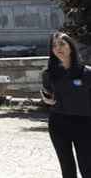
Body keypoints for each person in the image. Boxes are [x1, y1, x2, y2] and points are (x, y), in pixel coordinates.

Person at [42, 32, 91, 178]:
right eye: (54, 46)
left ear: (71, 47)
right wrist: (45, 100)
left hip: (84, 125)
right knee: (67, 169)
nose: (58, 48)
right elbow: (46, 94)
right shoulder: (49, 73)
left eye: (62, 44)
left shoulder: (87, 73)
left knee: (87, 168)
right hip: (58, 124)